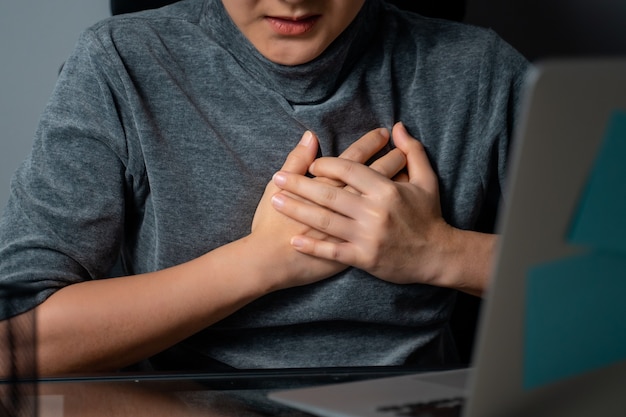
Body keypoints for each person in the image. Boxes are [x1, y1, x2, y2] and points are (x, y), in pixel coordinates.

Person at [0, 0, 529, 376]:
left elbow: (606, 282)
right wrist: (262, 263)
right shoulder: (121, 62)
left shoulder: (479, 70)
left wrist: (440, 253)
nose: (292, 1)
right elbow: (13, 342)